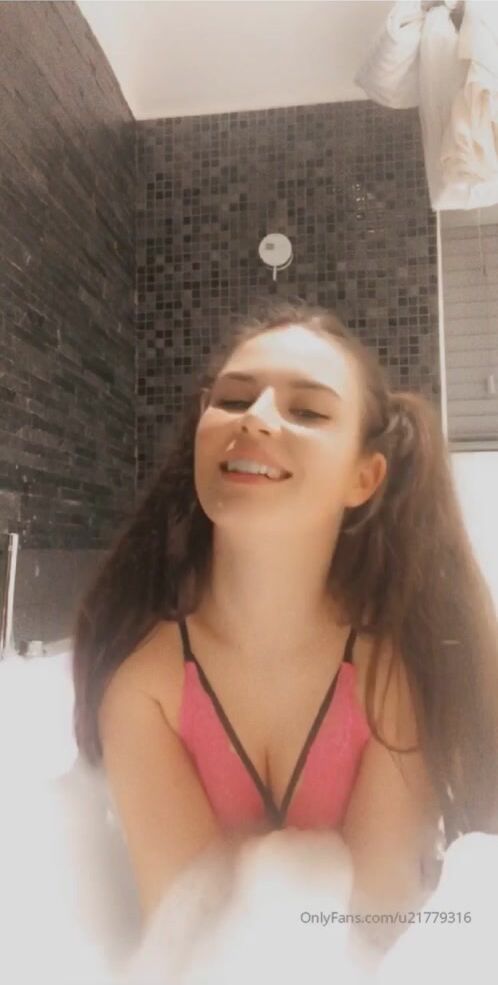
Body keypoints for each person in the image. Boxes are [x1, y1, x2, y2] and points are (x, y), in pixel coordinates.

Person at [72, 297, 498, 967]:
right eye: (233, 400)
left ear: (365, 476)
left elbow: (377, 937)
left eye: (308, 411)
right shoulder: (145, 685)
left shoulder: (389, 675)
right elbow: (187, 952)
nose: (256, 418)